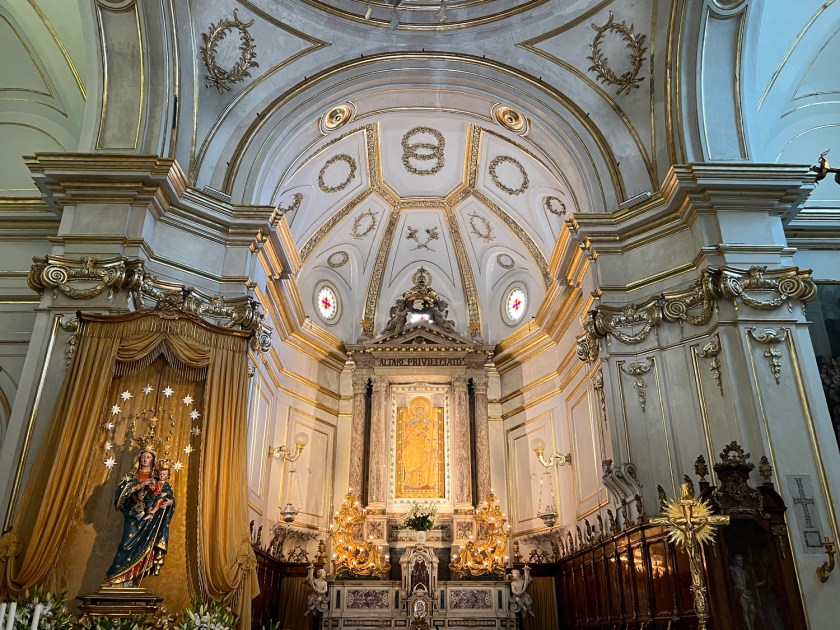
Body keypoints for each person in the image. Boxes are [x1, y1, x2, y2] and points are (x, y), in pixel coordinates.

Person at [105, 449, 176, 585]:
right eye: (143, 457)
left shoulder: (157, 478)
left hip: (149, 519)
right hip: (133, 516)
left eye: (148, 457)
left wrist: (170, 502)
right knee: (125, 545)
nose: (145, 460)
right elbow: (120, 493)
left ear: (152, 460)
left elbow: (166, 494)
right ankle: (115, 577)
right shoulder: (132, 475)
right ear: (139, 458)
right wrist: (139, 485)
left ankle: (132, 581)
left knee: (144, 548)